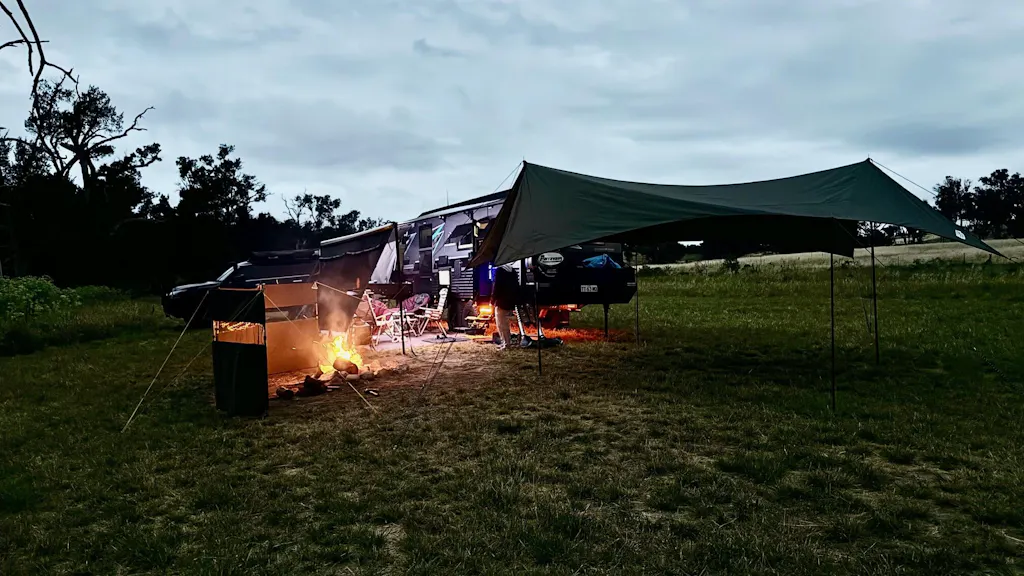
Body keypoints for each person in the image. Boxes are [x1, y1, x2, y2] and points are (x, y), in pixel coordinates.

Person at [491, 263, 521, 350]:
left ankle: (506, 343)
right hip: (510, 301)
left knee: (501, 324)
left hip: (501, 301)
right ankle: (507, 342)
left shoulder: (500, 271)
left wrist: (492, 299)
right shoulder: (513, 271)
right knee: (506, 323)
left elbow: (497, 286)